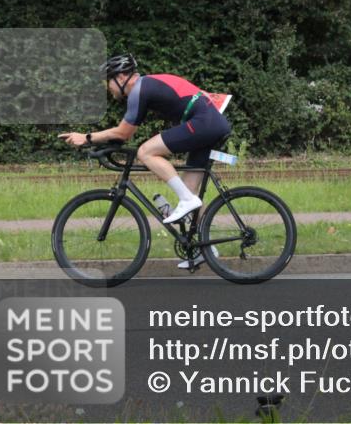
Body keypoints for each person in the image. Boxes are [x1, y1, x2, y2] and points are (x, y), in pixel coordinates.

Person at [58, 53, 231, 265]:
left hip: (205, 122)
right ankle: (207, 249)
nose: (107, 88)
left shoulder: (139, 90)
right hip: (210, 122)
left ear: (121, 78)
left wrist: (86, 138)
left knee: (146, 152)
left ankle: (187, 200)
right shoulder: (147, 86)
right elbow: (123, 134)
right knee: (189, 188)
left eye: (108, 82)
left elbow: (123, 133)